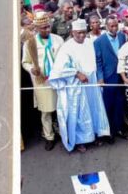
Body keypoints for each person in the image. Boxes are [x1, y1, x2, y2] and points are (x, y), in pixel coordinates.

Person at [49, 20, 110, 153]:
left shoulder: (88, 42)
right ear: (72, 33)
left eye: (84, 32)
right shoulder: (66, 48)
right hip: (76, 85)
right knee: (79, 113)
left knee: (94, 109)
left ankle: (94, 135)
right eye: (79, 33)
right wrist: (76, 73)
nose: (82, 35)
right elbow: (58, 70)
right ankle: (79, 141)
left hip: (91, 83)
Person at [22, 12, 64, 151]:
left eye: (48, 27)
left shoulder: (58, 40)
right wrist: (31, 69)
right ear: (37, 28)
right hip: (41, 82)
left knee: (61, 109)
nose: (47, 30)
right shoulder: (30, 43)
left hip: (58, 80)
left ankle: (63, 133)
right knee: (46, 111)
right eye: (43, 28)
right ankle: (49, 137)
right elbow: (25, 62)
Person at [95, 17, 128, 143]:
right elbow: (98, 62)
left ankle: (119, 128)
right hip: (108, 77)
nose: (114, 28)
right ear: (106, 26)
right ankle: (109, 131)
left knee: (120, 103)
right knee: (108, 104)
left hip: (121, 76)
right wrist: (100, 78)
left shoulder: (122, 37)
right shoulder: (99, 41)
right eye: (111, 26)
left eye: (116, 25)